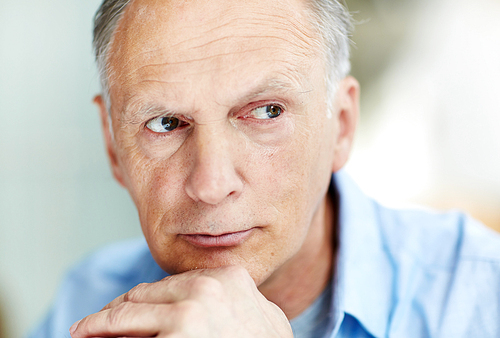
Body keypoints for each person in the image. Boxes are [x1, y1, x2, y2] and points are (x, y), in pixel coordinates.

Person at [29, 0, 500, 337]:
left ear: (341, 125)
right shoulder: (86, 299)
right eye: (166, 123)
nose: (211, 186)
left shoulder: (482, 297)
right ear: (113, 145)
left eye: (268, 112)